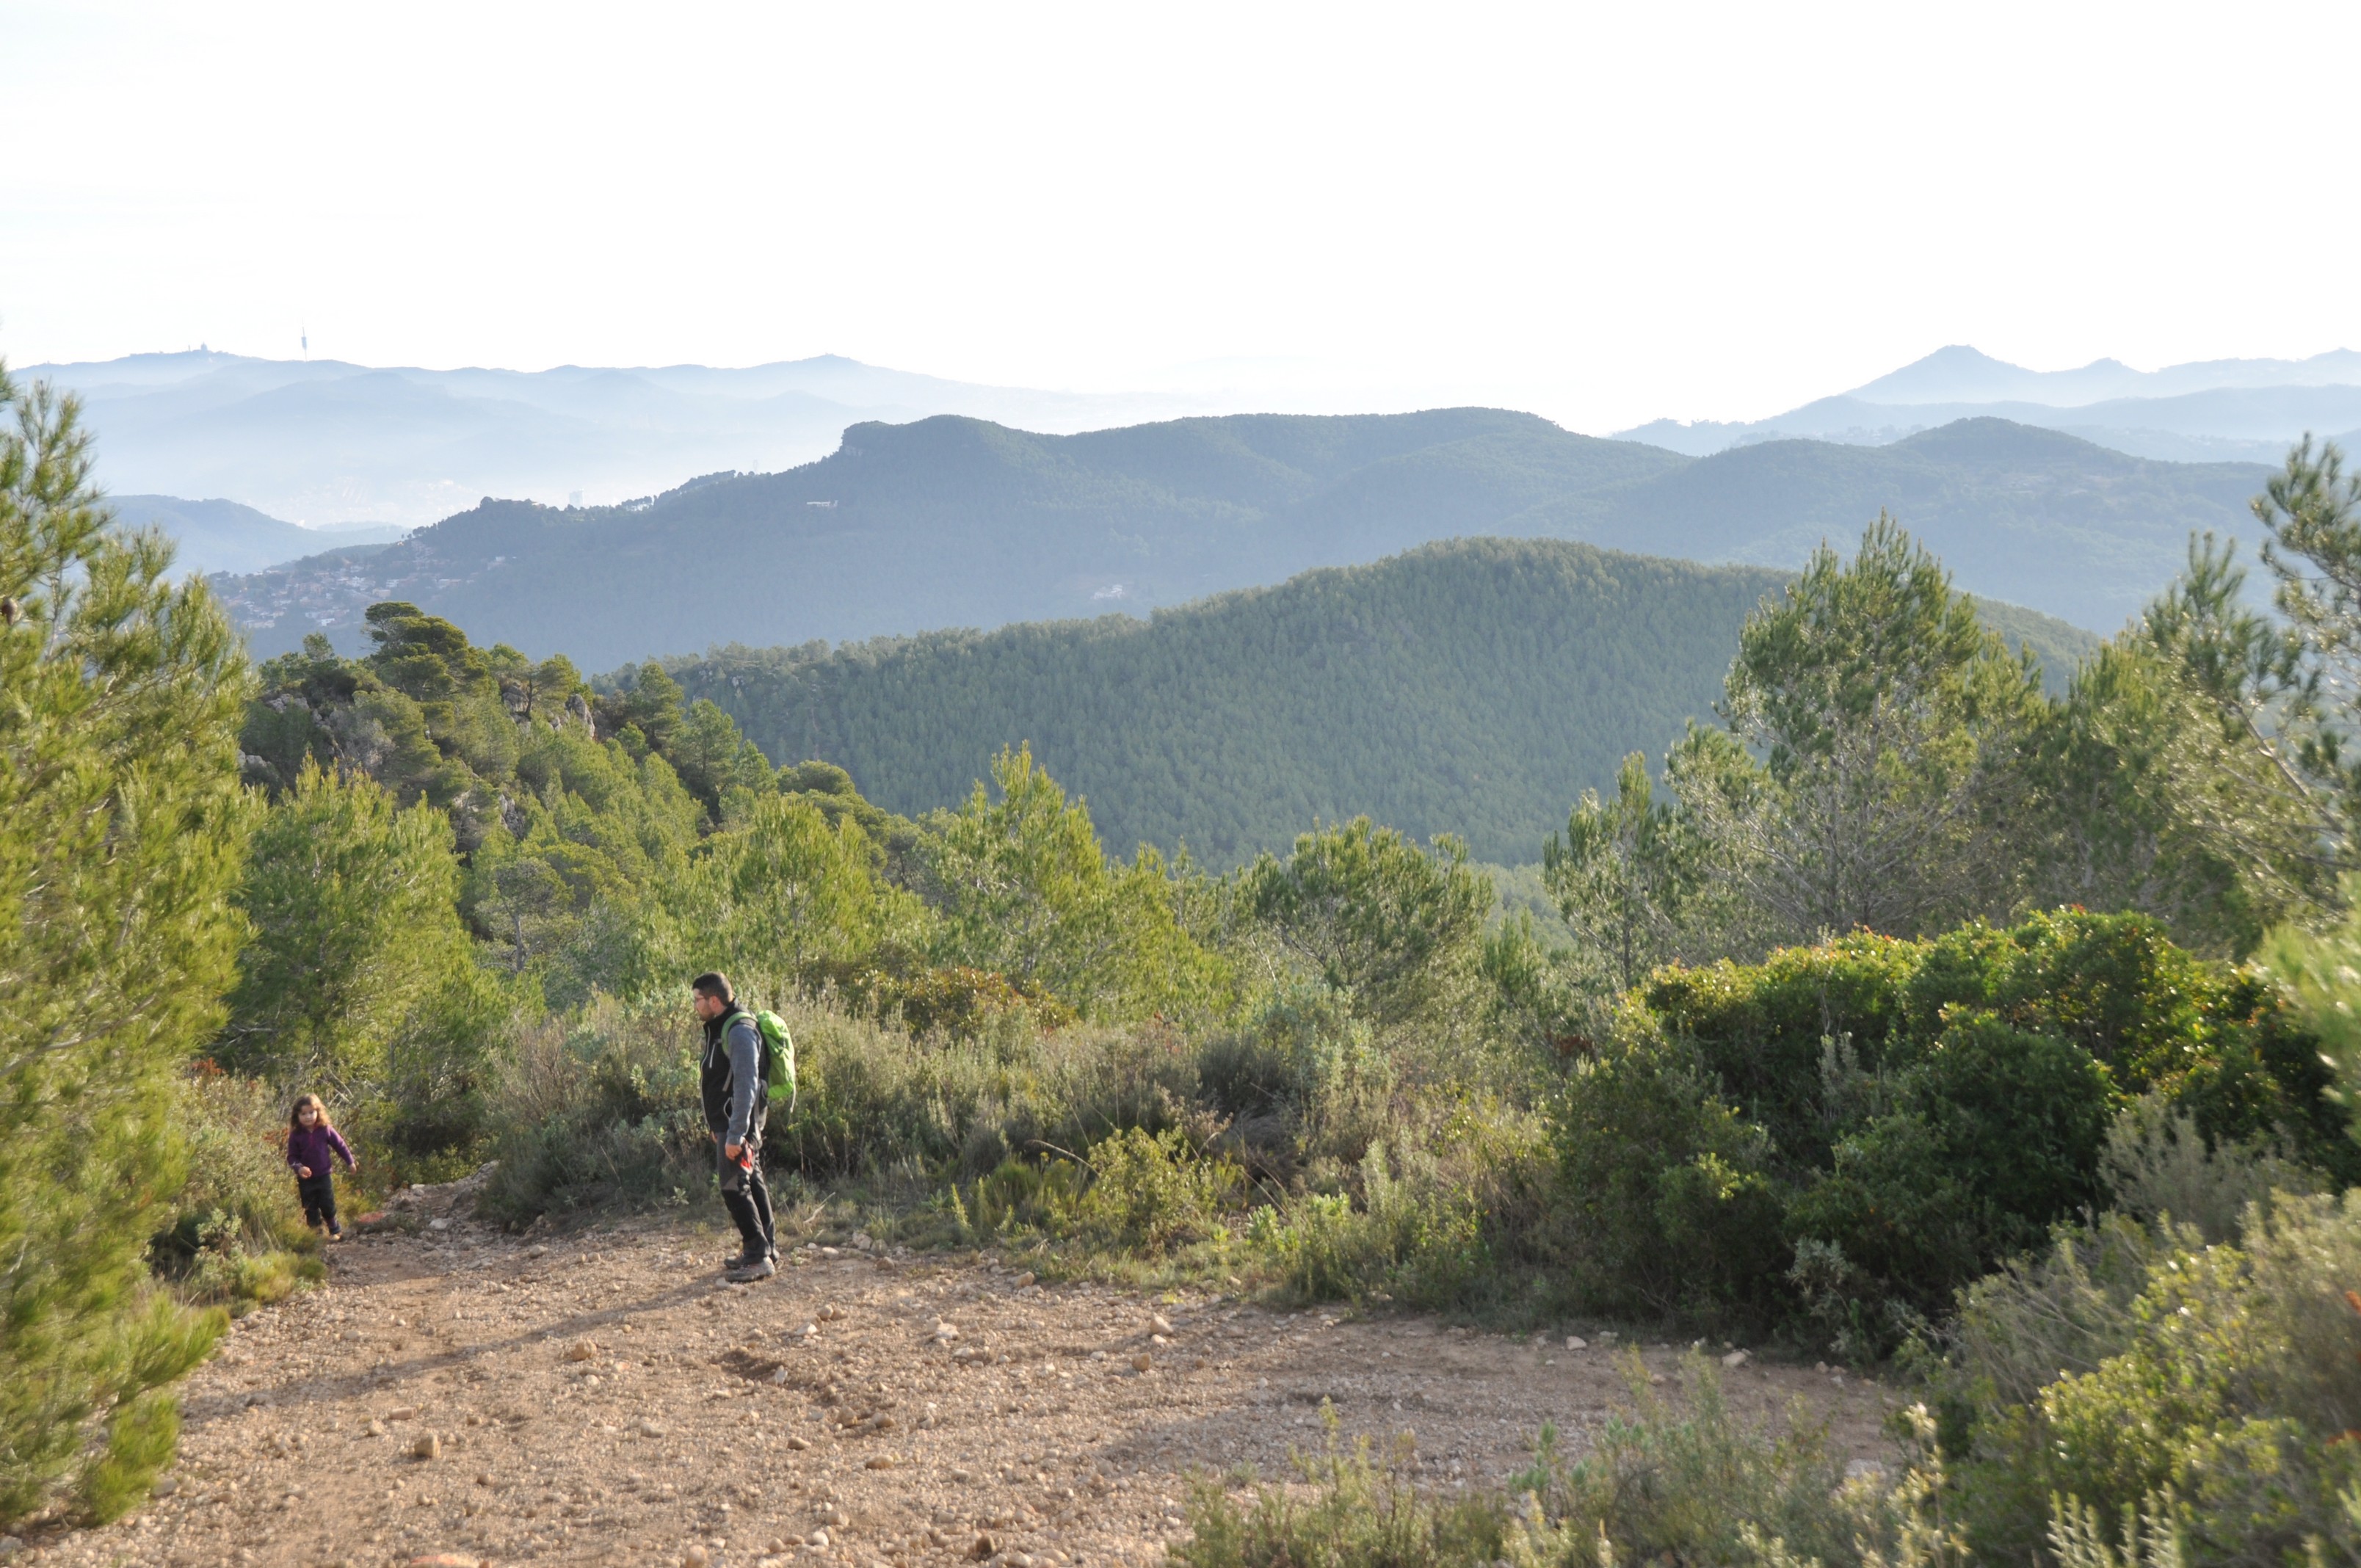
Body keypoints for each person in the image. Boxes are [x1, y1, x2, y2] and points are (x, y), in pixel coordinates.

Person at [692, 971, 777, 1280]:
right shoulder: (722, 1025)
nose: (695, 1006)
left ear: (714, 1000)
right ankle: (767, 1249)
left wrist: (737, 1133)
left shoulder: (739, 1030)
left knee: (734, 1187)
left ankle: (758, 1256)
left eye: (698, 1000)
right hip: (729, 1123)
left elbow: (746, 1084)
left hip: (738, 1124)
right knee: (751, 1180)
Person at [286, 1093, 358, 1241]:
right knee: (310, 1207)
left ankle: (334, 1229)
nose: (308, 1117)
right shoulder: (296, 1135)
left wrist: (350, 1161)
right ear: (297, 1116)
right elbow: (291, 1157)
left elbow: (340, 1145)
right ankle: (316, 1235)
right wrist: (299, 1168)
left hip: (324, 1175)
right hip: (306, 1179)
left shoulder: (325, 1129)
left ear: (318, 1112)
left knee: (327, 1204)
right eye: (303, 1114)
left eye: (311, 1112)